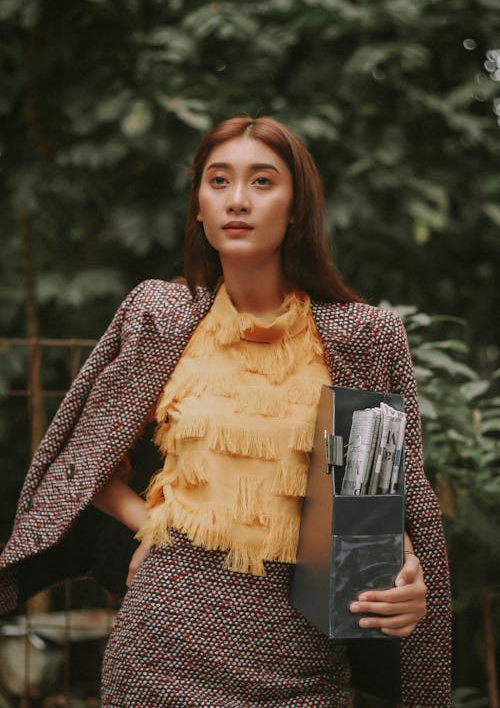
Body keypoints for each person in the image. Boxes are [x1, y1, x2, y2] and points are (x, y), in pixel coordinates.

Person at [0, 117, 451, 707]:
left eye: (263, 182)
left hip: (301, 655)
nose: (238, 200)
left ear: (297, 209)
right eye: (219, 181)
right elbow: (81, 462)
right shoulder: (159, 314)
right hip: (158, 645)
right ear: (198, 207)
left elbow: (379, 500)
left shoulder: (362, 336)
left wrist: (406, 575)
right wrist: (154, 529)